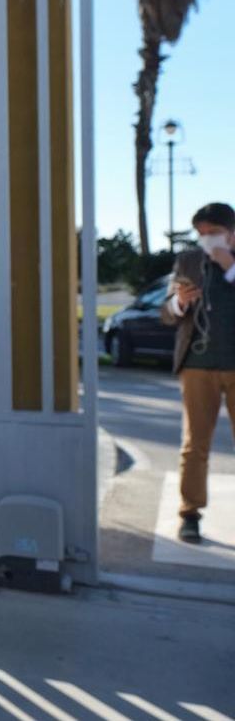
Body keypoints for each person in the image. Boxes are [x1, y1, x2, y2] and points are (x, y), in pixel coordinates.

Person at [160, 202, 235, 544]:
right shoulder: (189, 260)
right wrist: (180, 303)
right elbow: (167, 313)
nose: (206, 240)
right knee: (195, 444)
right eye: (201, 234)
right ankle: (190, 513)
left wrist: (230, 268)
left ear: (230, 233)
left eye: (213, 233)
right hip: (197, 366)